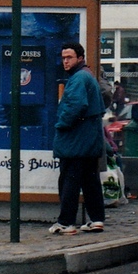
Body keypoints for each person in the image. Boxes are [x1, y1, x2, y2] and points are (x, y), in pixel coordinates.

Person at [50, 42, 106, 235]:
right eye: (63, 57)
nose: (65, 61)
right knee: (90, 181)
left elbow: (75, 105)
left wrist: (61, 124)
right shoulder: (87, 75)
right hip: (89, 140)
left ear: (80, 58)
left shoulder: (78, 78)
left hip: (75, 141)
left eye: (69, 57)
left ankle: (66, 223)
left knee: (69, 181)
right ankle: (96, 219)